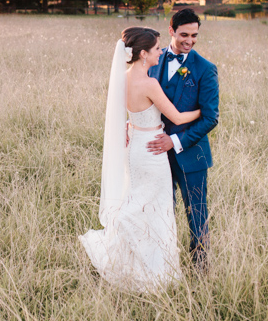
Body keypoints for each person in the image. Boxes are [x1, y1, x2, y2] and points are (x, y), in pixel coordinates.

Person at [80, 27, 201, 292]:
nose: (161, 52)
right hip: (151, 151)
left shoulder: (122, 77)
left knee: (138, 197)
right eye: (157, 48)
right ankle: (153, 269)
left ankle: (131, 254)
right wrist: (204, 111)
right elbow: (179, 117)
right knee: (153, 206)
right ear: (144, 54)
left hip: (133, 146)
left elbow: (124, 111)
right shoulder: (149, 84)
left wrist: (128, 124)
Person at [146, 8, 219, 274]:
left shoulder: (205, 69)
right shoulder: (152, 59)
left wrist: (175, 141)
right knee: (160, 211)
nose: (189, 40)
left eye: (195, 35)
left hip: (191, 155)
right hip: (153, 153)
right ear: (171, 30)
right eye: (184, 34)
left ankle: (200, 267)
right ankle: (163, 264)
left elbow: (211, 118)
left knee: (196, 213)